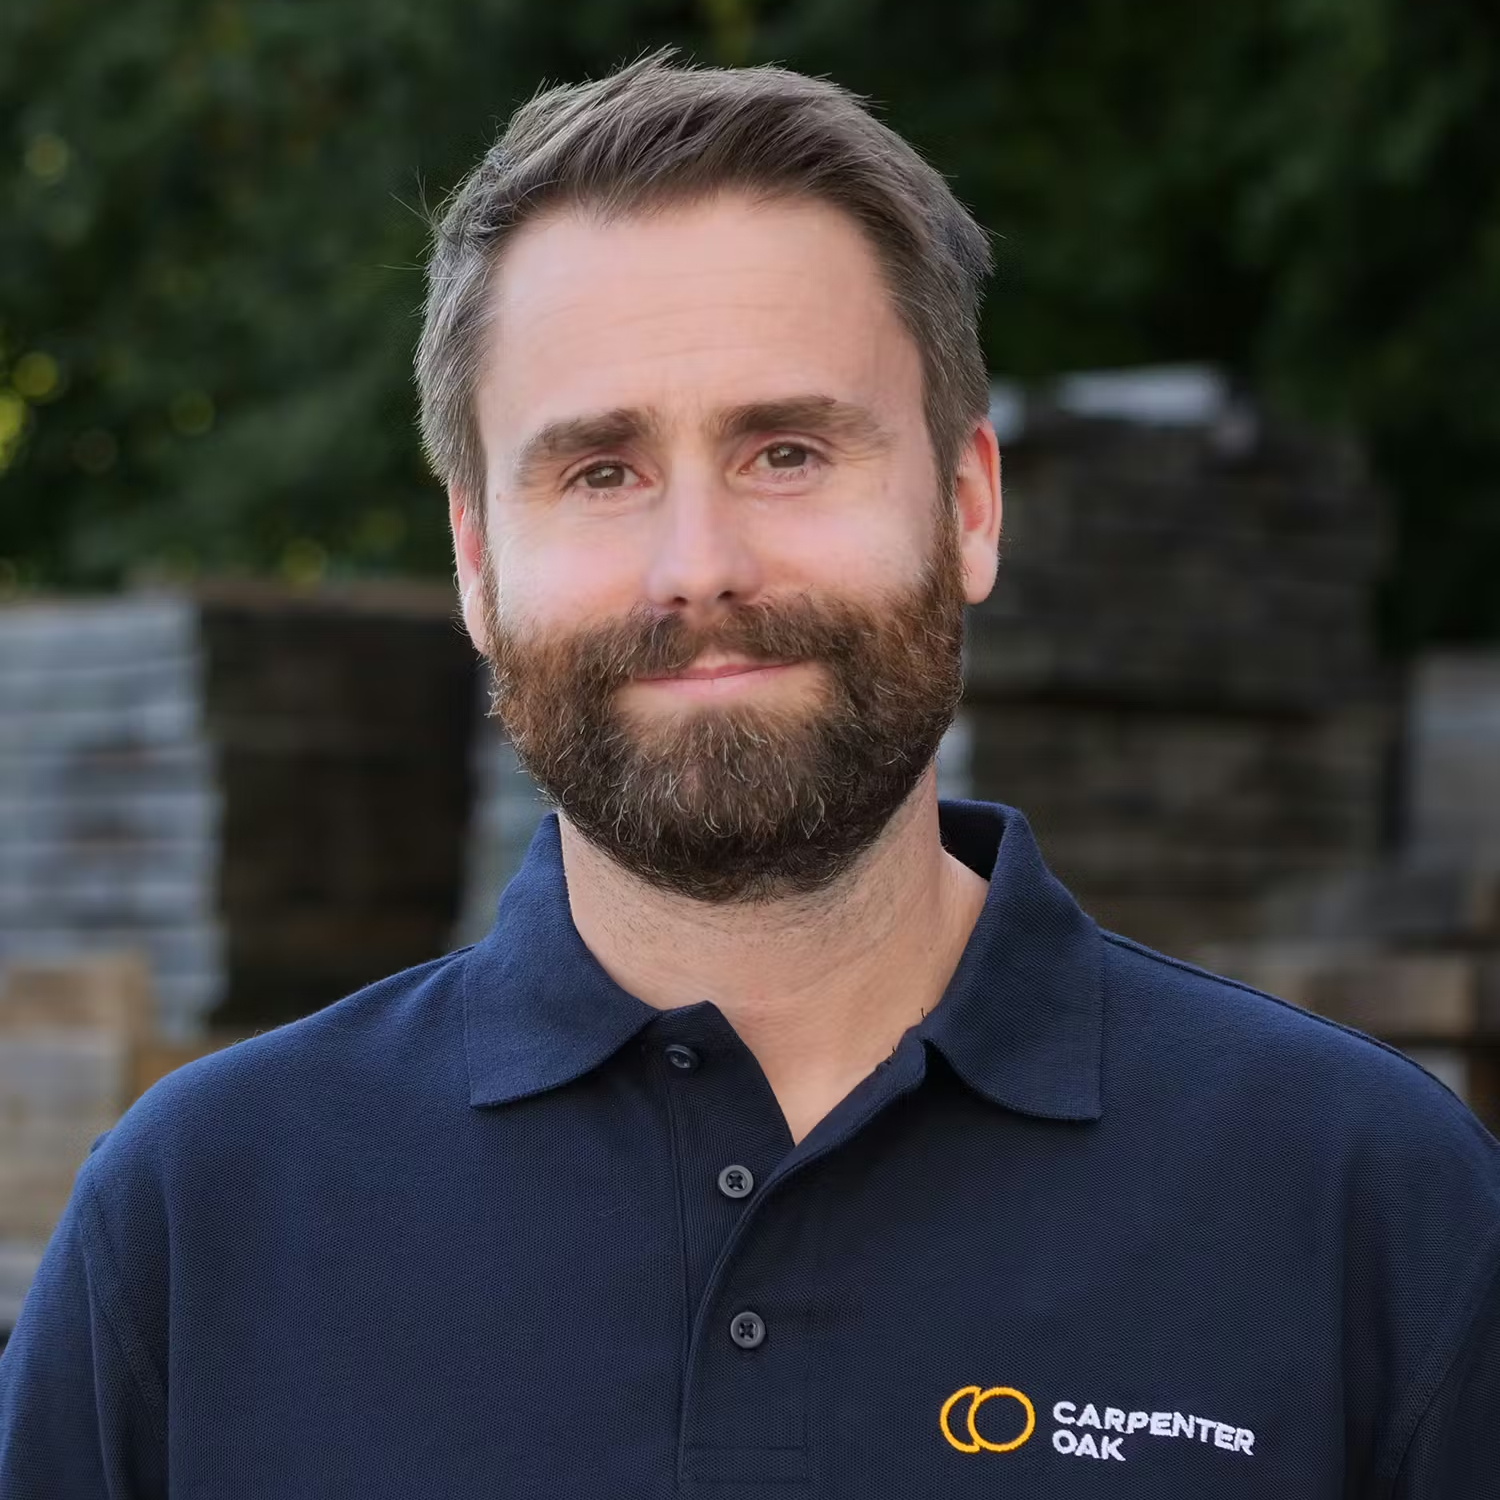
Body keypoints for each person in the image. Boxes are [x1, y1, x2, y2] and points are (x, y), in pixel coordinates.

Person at [2, 51, 1496, 1500]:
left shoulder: (1371, 1203)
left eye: (787, 451)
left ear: (968, 506)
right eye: (600, 471)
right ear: (474, 558)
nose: (698, 568)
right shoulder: (202, 1221)